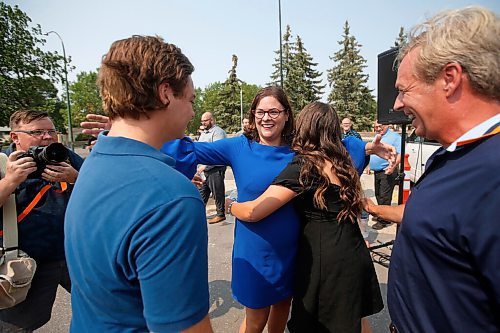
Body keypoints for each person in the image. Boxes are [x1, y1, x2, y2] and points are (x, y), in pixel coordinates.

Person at [82, 86, 396, 333]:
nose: (267, 117)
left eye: (275, 111)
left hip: (297, 253)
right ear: (253, 115)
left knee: (282, 318)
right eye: (261, 111)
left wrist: (369, 145)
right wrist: (132, 129)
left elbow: (337, 146)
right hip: (257, 252)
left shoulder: (299, 149)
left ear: (288, 115)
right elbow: (188, 149)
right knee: (255, 322)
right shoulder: (237, 146)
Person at [364, 6, 500, 332]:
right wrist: (373, 206)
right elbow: (435, 221)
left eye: (403, 89)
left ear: (449, 79)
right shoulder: (458, 155)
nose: (396, 104)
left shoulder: (493, 176)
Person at [64, 36, 212, 333]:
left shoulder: (97, 158)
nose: (193, 112)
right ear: (166, 93)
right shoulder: (171, 198)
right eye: (191, 100)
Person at [228, 102, 383, 333]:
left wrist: (231, 206)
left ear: (305, 127)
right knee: (355, 319)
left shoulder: (305, 166)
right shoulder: (344, 162)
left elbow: (254, 211)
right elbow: (356, 146)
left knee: (322, 324)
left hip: (325, 258)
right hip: (352, 250)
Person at [0, 109, 83, 332]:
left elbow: (100, 187)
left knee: (106, 309)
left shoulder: (62, 155)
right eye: (38, 132)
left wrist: (76, 178)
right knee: (16, 326)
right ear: (15, 137)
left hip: (73, 255)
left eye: (51, 131)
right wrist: (10, 181)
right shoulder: (3, 163)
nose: (48, 137)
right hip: (27, 261)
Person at [368, 120, 401, 230]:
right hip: (377, 171)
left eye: (380, 126)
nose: (378, 129)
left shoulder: (395, 137)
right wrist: (369, 166)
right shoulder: (378, 136)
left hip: (387, 171)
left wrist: (392, 167)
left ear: (387, 125)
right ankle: (381, 215)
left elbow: (399, 154)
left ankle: (384, 220)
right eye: (376, 127)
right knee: (378, 194)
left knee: (384, 196)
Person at [197, 112, 227, 224]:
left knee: (217, 193)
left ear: (212, 120)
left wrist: (204, 166)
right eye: (202, 121)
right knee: (201, 194)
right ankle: (197, 214)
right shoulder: (204, 133)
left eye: (205, 120)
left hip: (215, 169)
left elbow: (217, 153)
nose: (203, 123)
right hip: (203, 171)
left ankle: (220, 214)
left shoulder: (218, 132)